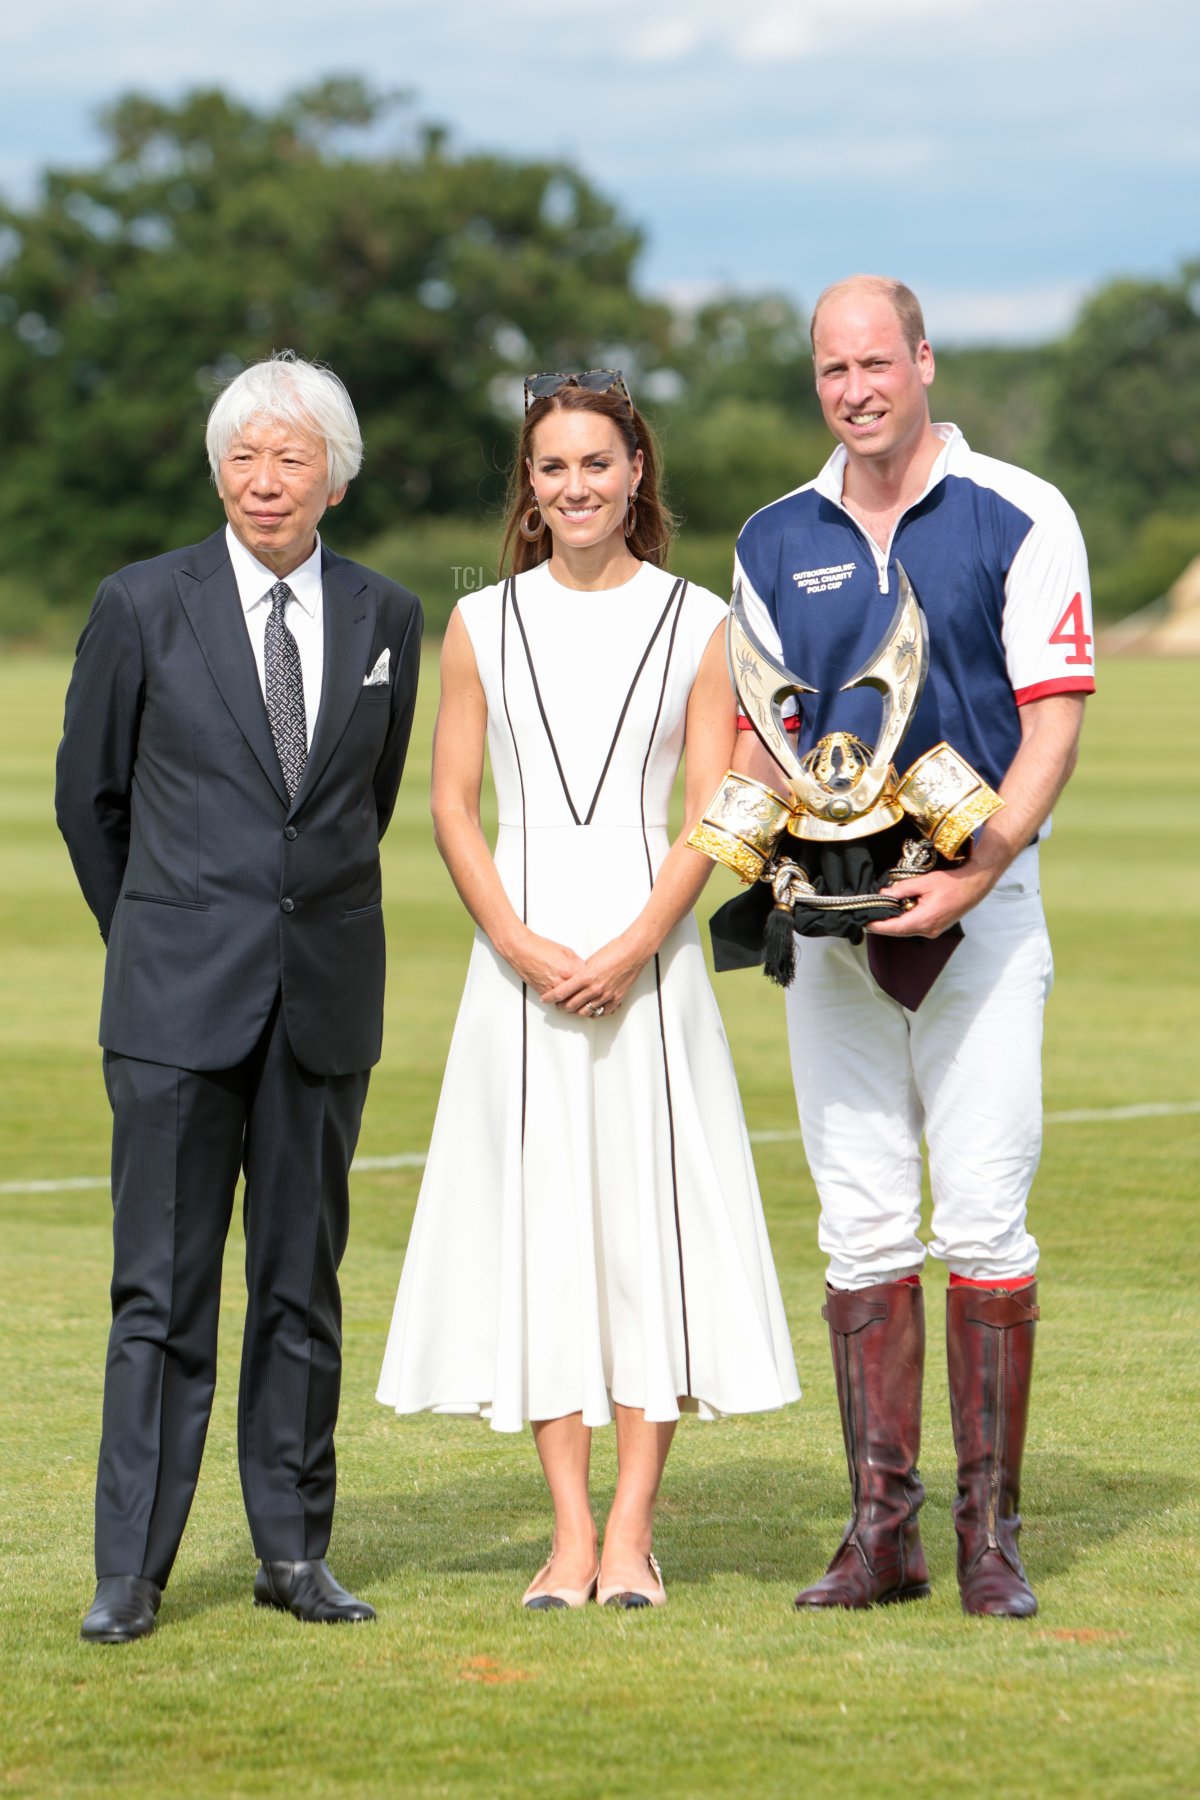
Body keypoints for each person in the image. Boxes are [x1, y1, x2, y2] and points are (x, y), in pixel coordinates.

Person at [377, 369, 799, 1610]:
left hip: (649, 966)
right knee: (546, 1236)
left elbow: (724, 806)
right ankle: (565, 1539)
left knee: (642, 1237)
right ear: (530, 484)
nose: (575, 487)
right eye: (552, 467)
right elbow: (453, 803)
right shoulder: (479, 625)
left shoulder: (700, 619)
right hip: (516, 970)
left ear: (636, 476)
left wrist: (635, 941)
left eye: (597, 465)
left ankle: (630, 1537)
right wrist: (512, 935)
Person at [729, 277, 1094, 1617]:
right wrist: (757, 873)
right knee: (862, 1218)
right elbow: (758, 733)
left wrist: (978, 868)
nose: (854, 389)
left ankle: (991, 1538)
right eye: (831, 369)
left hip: (980, 917)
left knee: (986, 1216)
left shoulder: (1021, 510)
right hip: (833, 934)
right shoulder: (775, 535)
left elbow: (1051, 728)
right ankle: (882, 1533)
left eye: (875, 361)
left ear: (924, 360)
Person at [56, 352, 423, 1642]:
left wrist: (276, 937)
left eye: (292, 457)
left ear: (335, 474)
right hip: (172, 1009)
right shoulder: (139, 603)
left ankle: (293, 1553)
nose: (266, 482)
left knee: (299, 1288)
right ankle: (131, 1573)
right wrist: (160, 937)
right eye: (244, 457)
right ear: (218, 469)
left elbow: (359, 809)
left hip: (321, 1004)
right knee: (158, 1294)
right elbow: (90, 802)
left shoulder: (386, 617)